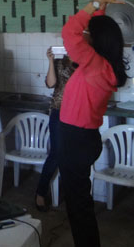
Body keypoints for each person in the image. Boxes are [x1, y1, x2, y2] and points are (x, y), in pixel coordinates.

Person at [58, 0, 132, 247]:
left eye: (89, 33)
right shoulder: (102, 65)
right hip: (81, 138)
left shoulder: (95, 65)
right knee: (79, 202)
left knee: (78, 206)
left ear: (97, 40)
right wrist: (105, 2)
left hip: (75, 139)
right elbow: (94, 27)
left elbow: (70, 31)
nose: (84, 35)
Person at [35, 47, 76, 211]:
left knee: (74, 155)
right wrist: (51, 61)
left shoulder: (85, 61)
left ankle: (71, 193)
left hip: (78, 113)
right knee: (56, 153)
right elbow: (51, 83)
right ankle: (40, 192)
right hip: (59, 111)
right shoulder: (60, 62)